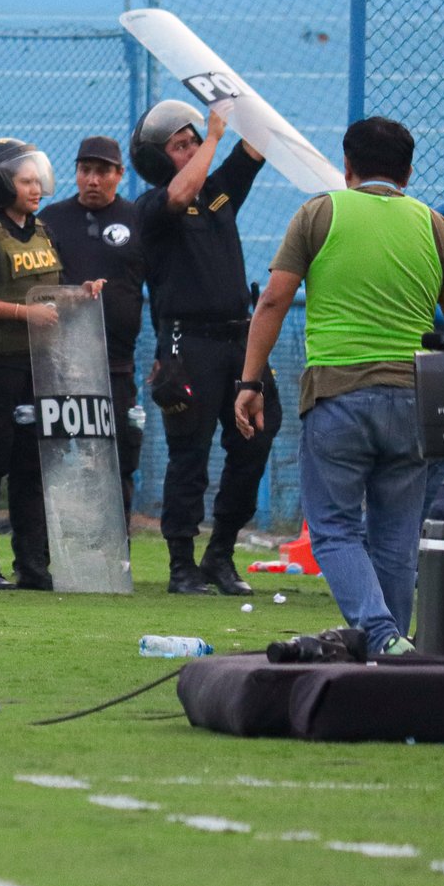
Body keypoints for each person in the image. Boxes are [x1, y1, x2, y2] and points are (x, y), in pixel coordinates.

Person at [236, 117, 444, 656]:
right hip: (415, 400)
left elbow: (273, 301)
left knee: (334, 530)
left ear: (346, 166)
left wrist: (250, 381)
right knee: (396, 537)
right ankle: (390, 653)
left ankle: (381, 634)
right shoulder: (438, 227)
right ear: (409, 173)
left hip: (337, 396)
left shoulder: (320, 213)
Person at [132, 100, 278, 597]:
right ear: (158, 158)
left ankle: (220, 554)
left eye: (194, 139)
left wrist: (240, 103)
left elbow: (256, 148)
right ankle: (180, 565)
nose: (193, 147)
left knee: (256, 441)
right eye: (180, 144)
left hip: (240, 340)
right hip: (187, 343)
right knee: (188, 455)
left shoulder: (218, 196)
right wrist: (213, 137)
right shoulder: (153, 207)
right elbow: (180, 192)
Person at [0, 138, 99, 591]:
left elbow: (50, 293)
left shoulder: (42, 231)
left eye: (36, 178)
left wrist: (81, 294)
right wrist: (24, 314)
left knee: (32, 465)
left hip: (39, 365)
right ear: (2, 183)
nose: (36, 186)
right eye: (25, 180)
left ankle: (32, 564)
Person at [37, 135, 147, 514]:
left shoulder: (136, 219)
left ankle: (117, 553)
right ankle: (47, 553)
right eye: (86, 171)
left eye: (102, 172)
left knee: (117, 457)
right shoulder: (50, 220)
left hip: (116, 364)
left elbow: (157, 285)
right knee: (54, 455)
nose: (93, 180)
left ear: (119, 174)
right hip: (60, 362)